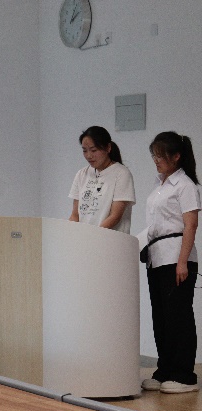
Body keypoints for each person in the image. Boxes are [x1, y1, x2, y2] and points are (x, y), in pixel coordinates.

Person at [141, 132, 200, 394]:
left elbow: (191, 225)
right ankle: (164, 369)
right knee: (161, 317)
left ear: (176, 156)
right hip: (157, 257)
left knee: (179, 316)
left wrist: (182, 262)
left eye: (160, 155)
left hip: (176, 256)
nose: (156, 160)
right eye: (154, 155)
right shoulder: (160, 185)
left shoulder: (185, 185)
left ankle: (184, 375)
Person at [68, 126, 136, 233]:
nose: (89, 156)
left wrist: (93, 235)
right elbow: (75, 214)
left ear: (108, 148)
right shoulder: (81, 174)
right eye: (85, 151)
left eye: (93, 150)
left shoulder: (121, 173)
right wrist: (71, 233)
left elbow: (115, 216)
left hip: (109, 239)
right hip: (84, 239)